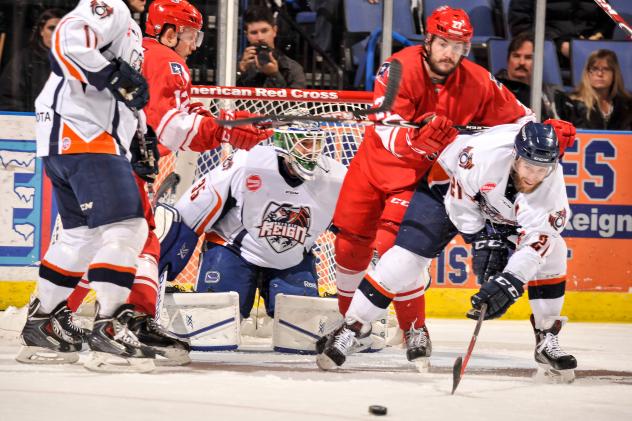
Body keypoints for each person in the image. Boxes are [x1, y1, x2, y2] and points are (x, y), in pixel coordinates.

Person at [65, 0, 271, 364]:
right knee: (143, 243)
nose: (195, 43)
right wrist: (226, 133)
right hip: (124, 160)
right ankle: (131, 322)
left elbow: (180, 112)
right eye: (191, 34)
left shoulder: (137, 50)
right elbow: (170, 125)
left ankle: (52, 317)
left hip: (88, 152)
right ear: (170, 32)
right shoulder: (167, 59)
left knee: (90, 241)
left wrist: (227, 121)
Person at [330, 5, 534, 364]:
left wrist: (546, 135)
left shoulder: (479, 81)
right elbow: (385, 126)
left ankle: (414, 328)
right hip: (372, 168)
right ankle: (350, 326)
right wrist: (416, 141)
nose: (450, 54)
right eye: (444, 44)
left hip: (416, 179)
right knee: (349, 249)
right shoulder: (397, 67)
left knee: (397, 250)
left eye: (459, 47)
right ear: (428, 40)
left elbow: (522, 119)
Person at [318, 121, 579, 383]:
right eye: (529, 167)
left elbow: (538, 241)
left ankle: (547, 337)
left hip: (499, 210)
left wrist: (510, 281)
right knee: (406, 258)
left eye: (542, 169)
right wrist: (482, 241)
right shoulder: (482, 154)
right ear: (515, 155)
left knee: (554, 251)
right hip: (446, 189)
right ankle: (351, 327)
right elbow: (460, 205)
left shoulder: (551, 187)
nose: (533, 176)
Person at [17, 0, 157, 372]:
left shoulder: (128, 26)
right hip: (84, 136)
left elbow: (117, 95)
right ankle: (108, 325)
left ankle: (43, 322)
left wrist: (141, 132)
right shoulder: (110, 4)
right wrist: (115, 75)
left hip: (68, 140)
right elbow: (67, 39)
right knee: (129, 226)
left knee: (81, 236)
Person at [157, 120, 346, 321]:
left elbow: (357, 232)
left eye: (316, 144)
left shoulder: (336, 178)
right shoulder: (247, 163)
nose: (312, 152)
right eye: (305, 144)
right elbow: (189, 214)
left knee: (301, 331)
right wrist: (161, 266)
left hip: (292, 258)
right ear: (283, 143)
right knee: (216, 322)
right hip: (234, 250)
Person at [494, 32, 576, 121]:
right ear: (508, 60)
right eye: (516, 56)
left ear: (538, 62)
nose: (521, 62)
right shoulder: (495, 89)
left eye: (528, 57)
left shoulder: (554, 95)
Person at [508, 0, 615, 65]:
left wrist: (596, 37)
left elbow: (607, 20)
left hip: (589, 53)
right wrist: (557, 44)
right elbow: (520, 26)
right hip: (546, 54)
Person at [0, 8, 64, 112]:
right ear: (41, 31)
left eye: (61, 29)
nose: (56, 33)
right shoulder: (24, 60)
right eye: (52, 28)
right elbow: (8, 100)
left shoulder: (75, 61)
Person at [237, 5, 306, 88]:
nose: (260, 38)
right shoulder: (235, 66)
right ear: (246, 35)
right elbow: (221, 99)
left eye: (264, 31)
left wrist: (275, 75)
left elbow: (295, 101)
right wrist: (239, 71)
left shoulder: (292, 69)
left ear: (274, 31)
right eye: (254, 33)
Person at [568, 49, 632, 131]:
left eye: (606, 69)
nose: (600, 74)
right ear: (587, 73)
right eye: (594, 69)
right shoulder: (573, 104)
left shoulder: (627, 105)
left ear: (614, 74)